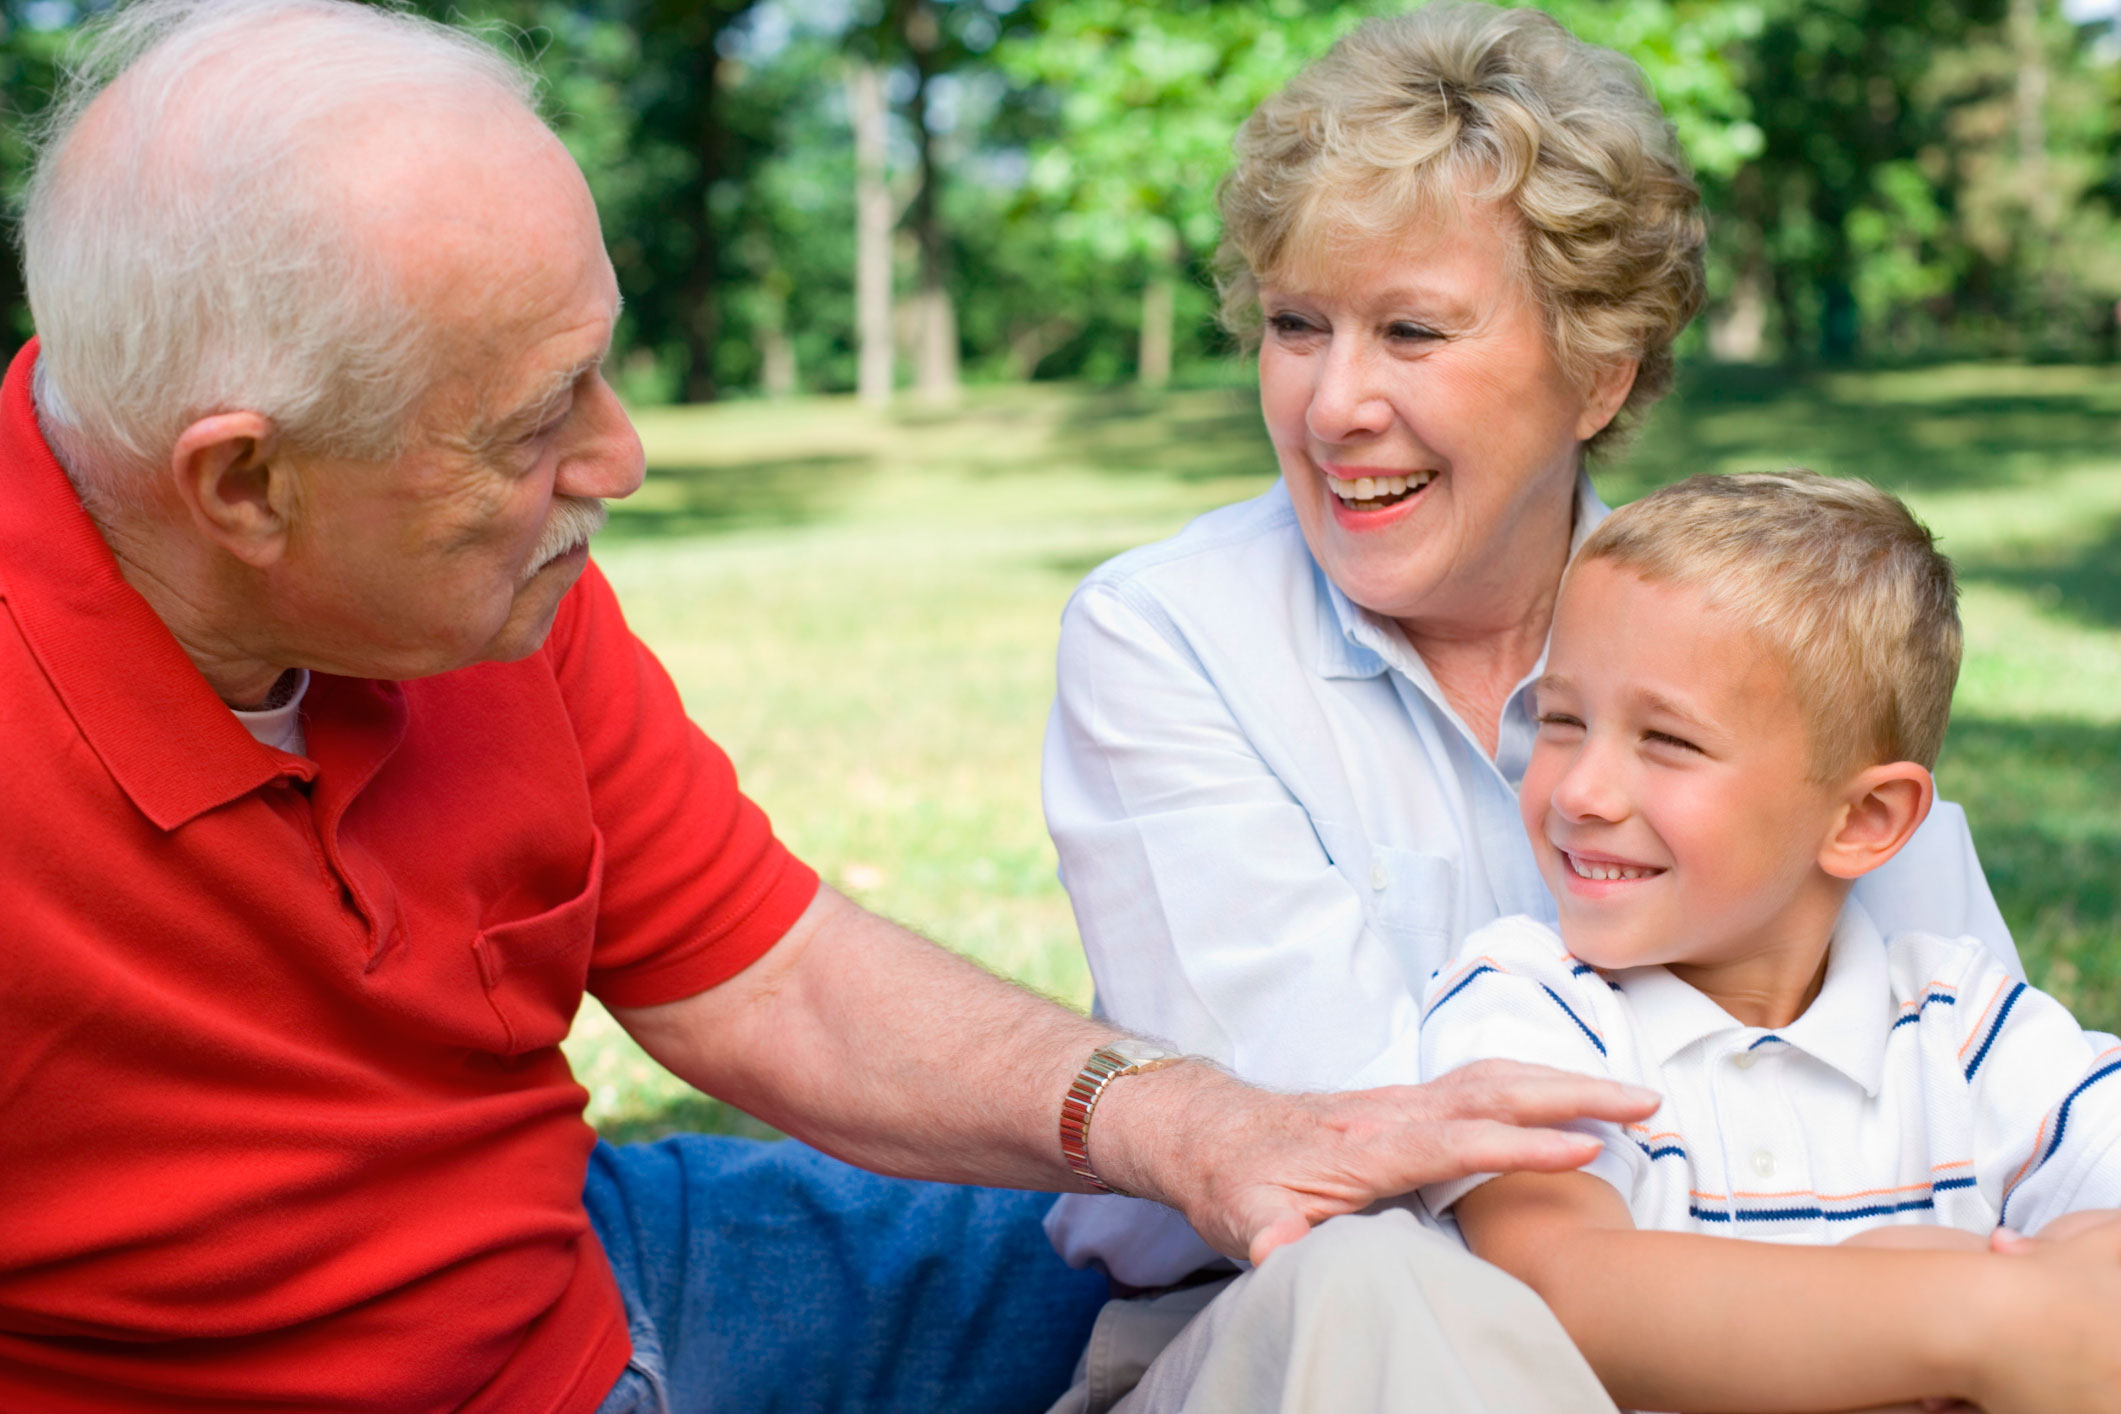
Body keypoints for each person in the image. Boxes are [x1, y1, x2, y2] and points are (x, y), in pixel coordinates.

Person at [0, 2, 1665, 1411]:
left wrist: (1190, 1124)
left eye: (597, 363)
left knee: (1251, 1263)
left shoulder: (492, 593)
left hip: (602, 1252)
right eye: (532, 427)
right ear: (246, 483)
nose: (620, 458)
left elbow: (770, 974)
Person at [1040, 5, 2030, 1408]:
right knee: (1368, 1281)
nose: (1334, 404)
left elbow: (1983, 1065)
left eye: (1413, 331)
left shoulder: (1756, 647)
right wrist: (1950, 1313)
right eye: (1295, 326)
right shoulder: (1168, 636)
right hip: (1301, 1336)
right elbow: (1349, 1160)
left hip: (1810, 1338)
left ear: (1598, 371)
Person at [1419, 472, 2121, 1412]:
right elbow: (1563, 1292)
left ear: (1865, 818)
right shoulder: (1527, 1003)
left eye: (1665, 740)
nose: (1582, 790)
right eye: (1560, 721)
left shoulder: (1965, 1029)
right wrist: (1975, 1311)